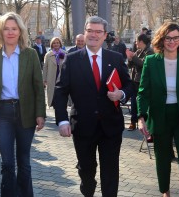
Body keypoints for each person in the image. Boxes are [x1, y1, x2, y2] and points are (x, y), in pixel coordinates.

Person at [53, 16, 133, 197]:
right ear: (84, 32)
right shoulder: (71, 60)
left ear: (105, 35)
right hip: (82, 126)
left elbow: (129, 86)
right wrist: (62, 120)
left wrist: (121, 94)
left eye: (98, 32)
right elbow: (60, 91)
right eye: (90, 31)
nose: (94, 35)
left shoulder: (116, 58)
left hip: (110, 126)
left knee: (110, 171)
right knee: (86, 171)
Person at [137, 22, 179, 197]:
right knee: (163, 160)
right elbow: (143, 92)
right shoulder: (151, 61)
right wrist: (141, 117)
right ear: (161, 39)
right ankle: (165, 192)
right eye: (168, 38)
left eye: (175, 38)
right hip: (160, 116)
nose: (172, 41)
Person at [0, 12, 46, 196]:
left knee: (24, 163)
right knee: (7, 163)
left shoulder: (30, 55)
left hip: (25, 111)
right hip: (2, 113)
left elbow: (37, 86)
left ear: (20, 32)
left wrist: (40, 113)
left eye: (14, 29)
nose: (10, 32)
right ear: (0, 32)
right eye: (6, 29)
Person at [126, 34, 154, 130]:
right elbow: (130, 66)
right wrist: (130, 59)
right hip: (134, 80)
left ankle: (144, 122)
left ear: (141, 42)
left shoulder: (150, 52)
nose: (136, 43)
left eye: (137, 41)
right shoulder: (138, 51)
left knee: (141, 102)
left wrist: (133, 57)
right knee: (134, 102)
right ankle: (133, 122)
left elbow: (144, 64)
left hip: (142, 81)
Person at [43, 37, 66, 107]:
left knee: (62, 96)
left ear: (60, 44)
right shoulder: (48, 55)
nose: (56, 44)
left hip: (62, 77)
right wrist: (44, 79)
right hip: (52, 77)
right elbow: (45, 67)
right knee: (53, 97)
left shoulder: (65, 54)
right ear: (52, 44)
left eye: (57, 43)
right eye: (54, 43)